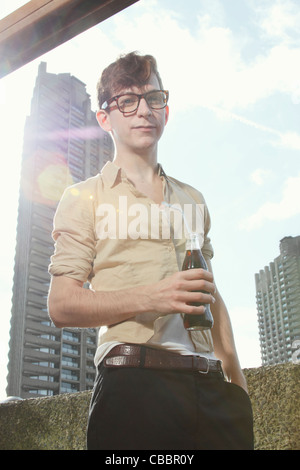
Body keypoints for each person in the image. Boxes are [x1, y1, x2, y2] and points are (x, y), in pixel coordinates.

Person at [48, 52, 254, 450]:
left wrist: (237, 381)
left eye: (153, 98)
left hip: (212, 390)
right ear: (105, 118)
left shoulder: (193, 198)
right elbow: (61, 305)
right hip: (133, 388)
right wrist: (152, 295)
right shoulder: (83, 197)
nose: (144, 110)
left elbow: (210, 291)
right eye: (128, 100)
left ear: (166, 109)